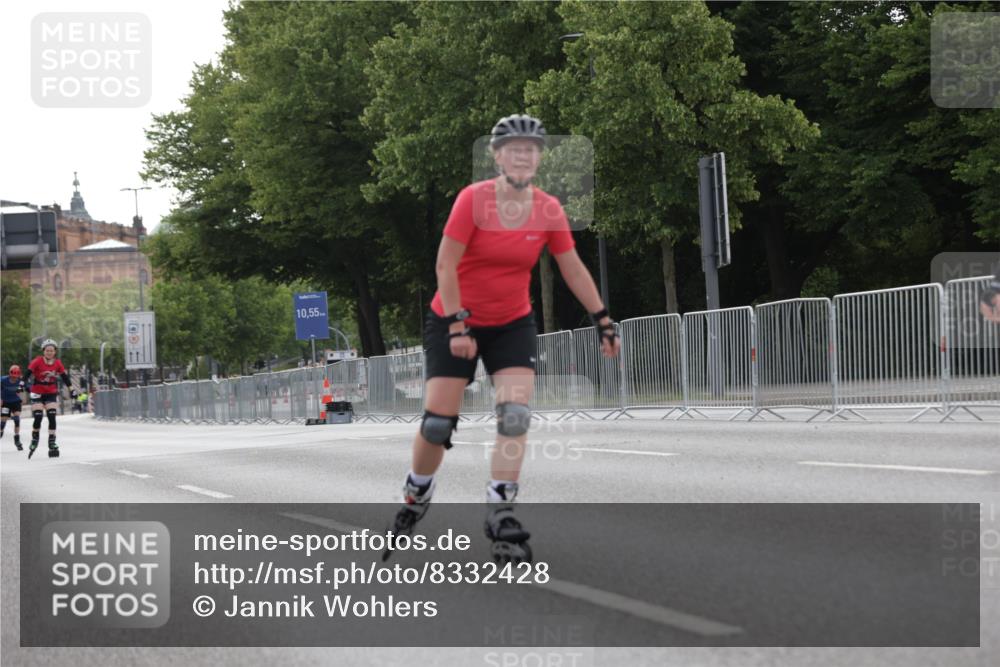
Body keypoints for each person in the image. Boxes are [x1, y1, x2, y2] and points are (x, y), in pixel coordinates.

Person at [385, 114, 620, 564]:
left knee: (514, 416)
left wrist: (602, 319)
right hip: (454, 318)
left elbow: (571, 267)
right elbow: (444, 266)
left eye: (531, 149)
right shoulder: (472, 201)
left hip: (513, 322)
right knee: (437, 424)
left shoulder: (548, 208)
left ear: (539, 158)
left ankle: (501, 509)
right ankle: (417, 491)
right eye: (514, 148)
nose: (523, 155)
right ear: (497, 156)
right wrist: (457, 325)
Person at [22, 339, 71, 459]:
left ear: (55, 352)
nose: (49, 352)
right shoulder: (37, 361)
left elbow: (65, 377)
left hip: (51, 393)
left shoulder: (58, 363)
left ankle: (52, 441)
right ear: (43, 351)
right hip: (37, 392)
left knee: (52, 416)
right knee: (38, 417)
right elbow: (27, 374)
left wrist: (72, 389)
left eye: (52, 350)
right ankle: (35, 438)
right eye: (47, 350)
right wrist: (21, 384)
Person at [0, 365, 26, 450]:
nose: (14, 379)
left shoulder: (20, 381)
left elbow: (24, 389)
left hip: (16, 402)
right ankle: (1, 430)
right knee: (3, 420)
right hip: (6, 402)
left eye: (16, 377)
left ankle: (17, 439)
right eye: (13, 377)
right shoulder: (3, 380)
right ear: (10, 374)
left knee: (17, 418)